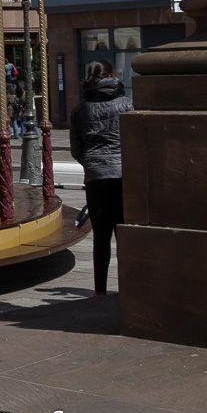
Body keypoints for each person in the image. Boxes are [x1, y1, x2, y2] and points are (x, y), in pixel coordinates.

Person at [70, 61, 133, 296]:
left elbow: (77, 149)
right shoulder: (127, 105)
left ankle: (100, 290)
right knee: (124, 234)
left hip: (96, 177)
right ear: (113, 76)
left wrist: (93, 164)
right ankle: (128, 288)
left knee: (101, 236)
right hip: (123, 175)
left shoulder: (80, 110)